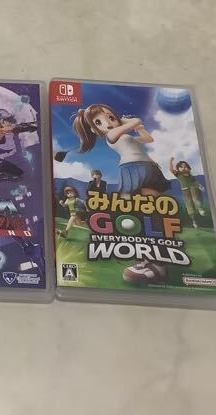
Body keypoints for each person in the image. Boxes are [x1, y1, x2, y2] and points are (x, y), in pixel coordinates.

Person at [72, 104, 171, 284]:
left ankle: (158, 264)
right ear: (94, 130)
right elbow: (136, 120)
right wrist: (128, 121)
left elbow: (148, 139)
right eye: (99, 122)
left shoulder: (126, 136)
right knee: (137, 213)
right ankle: (149, 258)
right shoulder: (111, 136)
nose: (108, 123)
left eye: (111, 117)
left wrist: (139, 128)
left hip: (148, 168)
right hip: (132, 169)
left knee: (152, 213)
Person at [169, 157, 205, 228]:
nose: (184, 168)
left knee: (195, 196)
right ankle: (194, 221)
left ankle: (200, 209)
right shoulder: (178, 174)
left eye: (185, 166)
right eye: (181, 167)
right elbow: (171, 170)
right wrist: (170, 161)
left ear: (188, 168)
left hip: (193, 189)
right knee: (189, 206)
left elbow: (195, 182)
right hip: (185, 191)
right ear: (178, 168)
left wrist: (200, 186)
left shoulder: (191, 176)